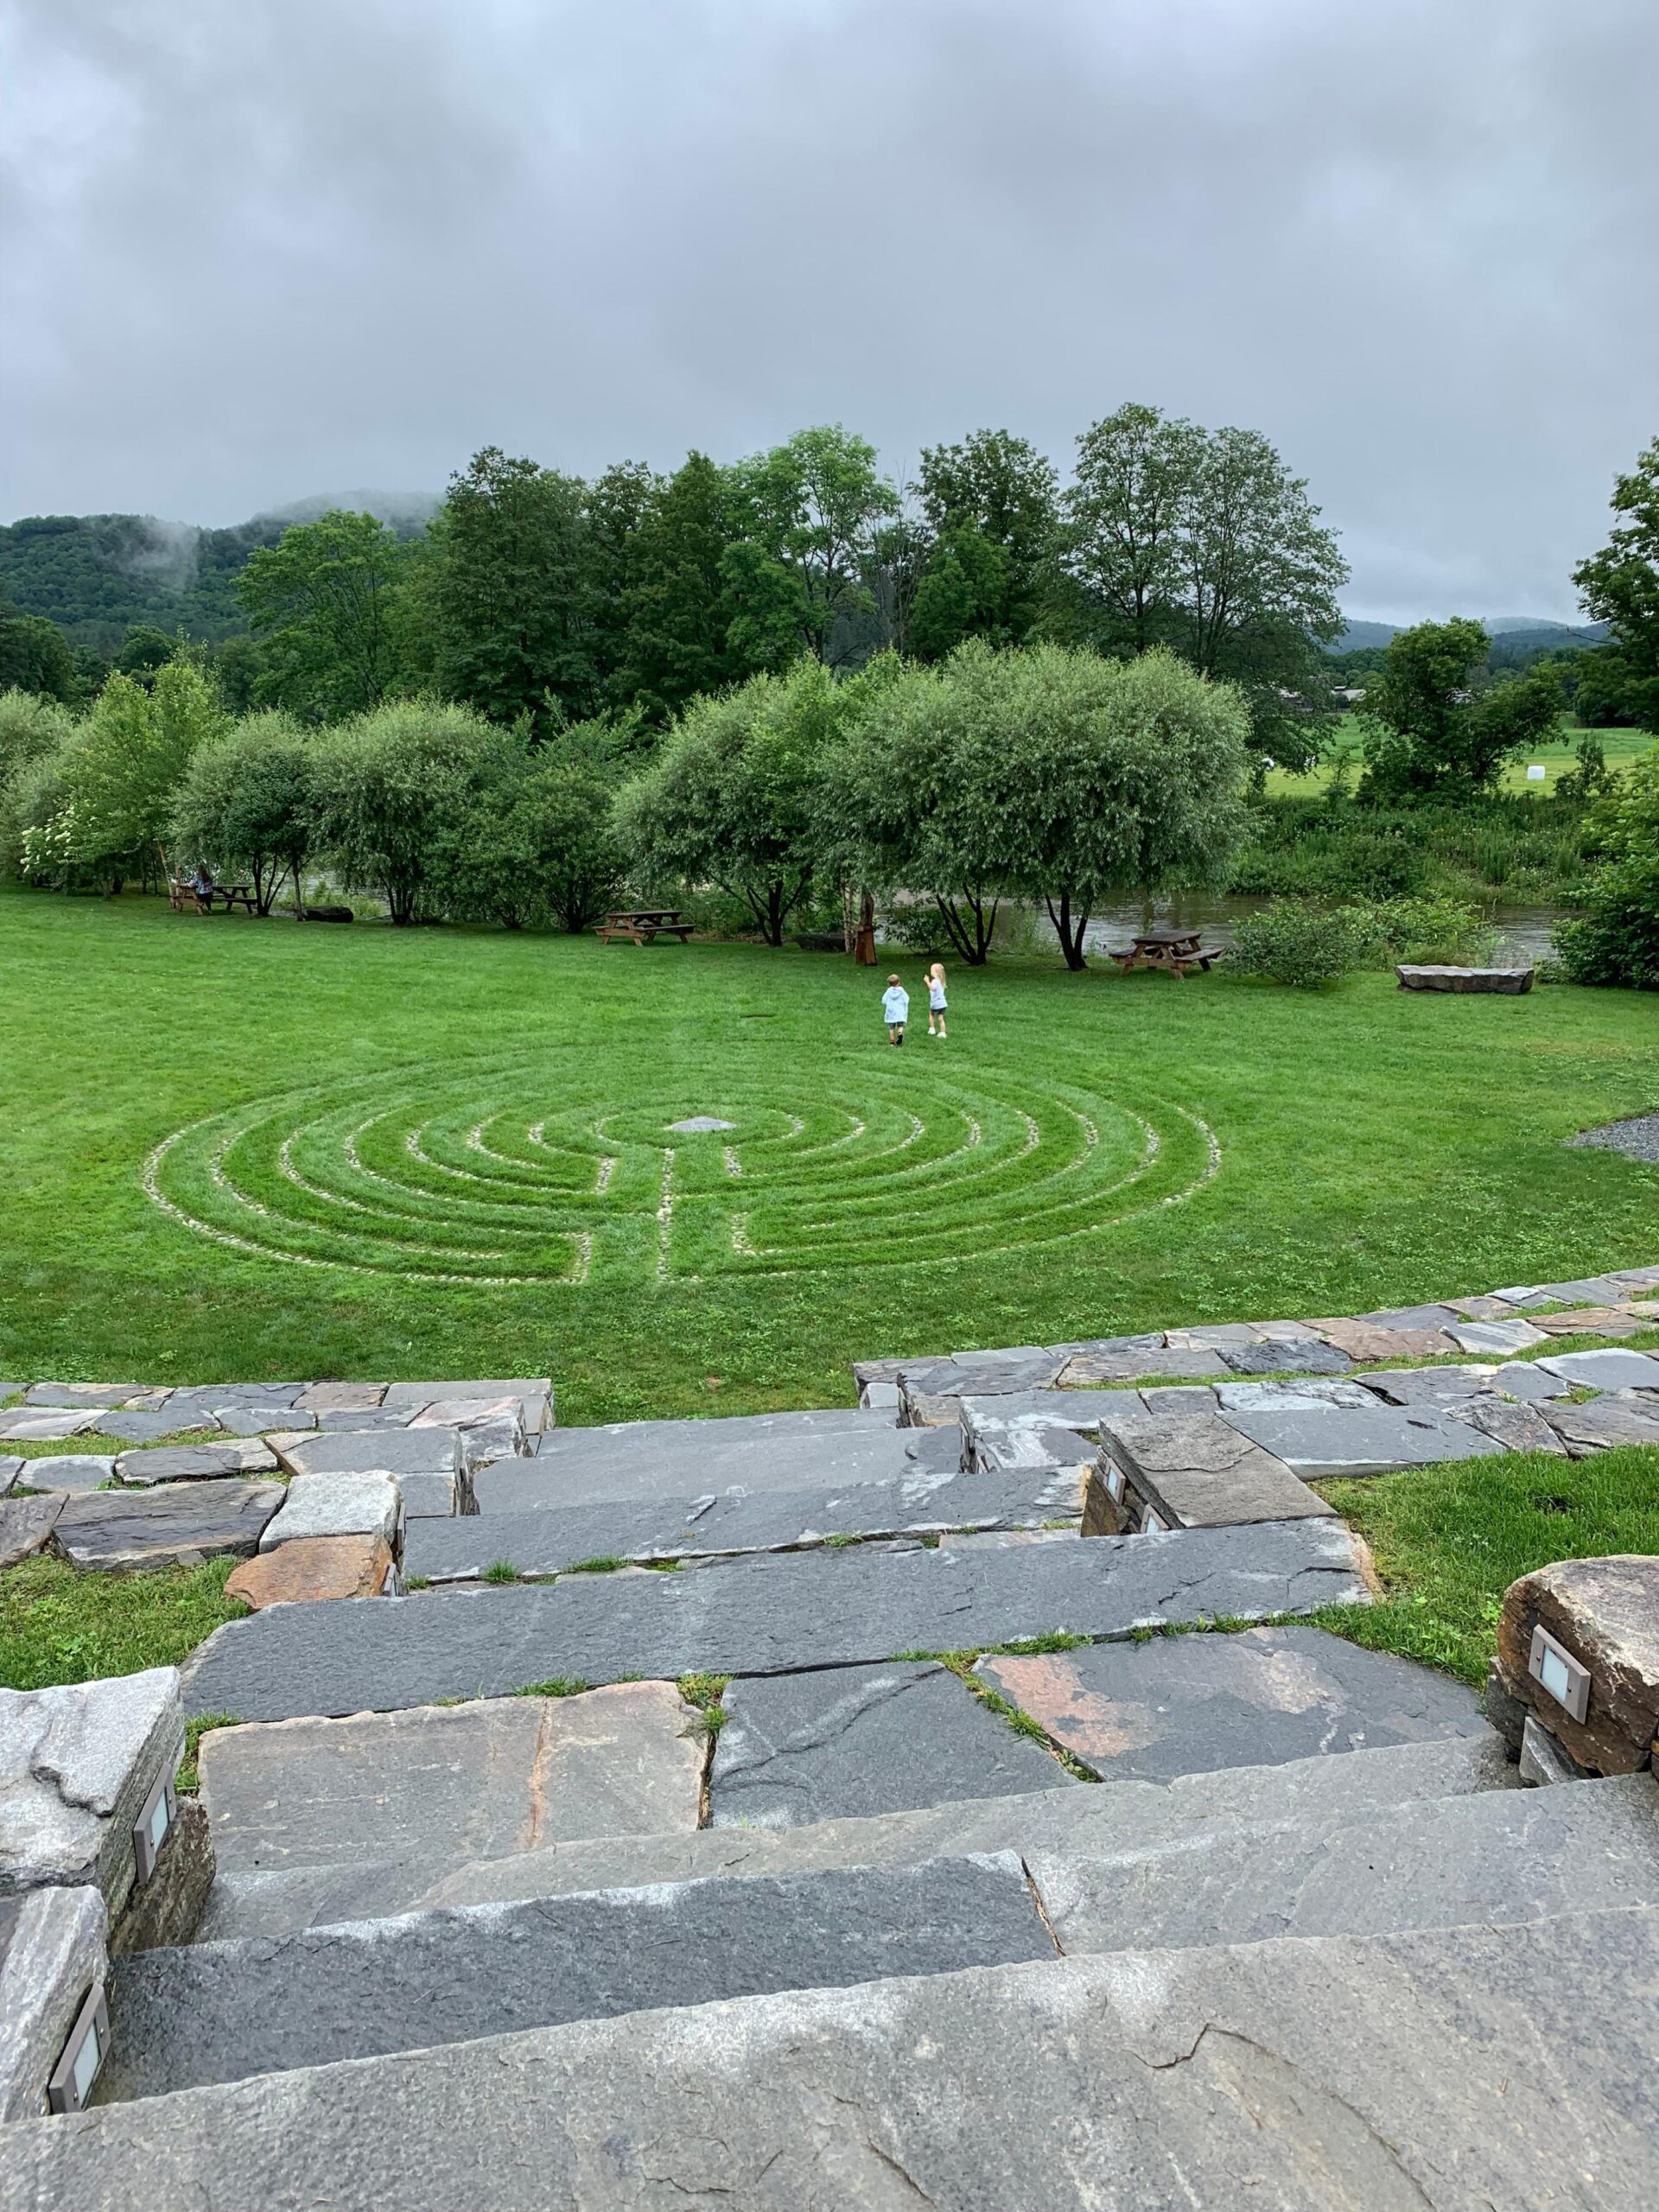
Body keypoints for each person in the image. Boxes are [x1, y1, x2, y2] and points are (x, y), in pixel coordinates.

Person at [881, 973, 908, 1047]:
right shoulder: (901, 991)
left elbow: (883, 1000)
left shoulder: (889, 991)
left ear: (889, 984)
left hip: (891, 1012)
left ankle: (892, 1042)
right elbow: (907, 999)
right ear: (898, 982)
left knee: (891, 1027)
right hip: (900, 1012)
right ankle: (900, 1034)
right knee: (900, 1025)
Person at [925, 959, 948, 1039]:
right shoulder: (941, 981)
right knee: (941, 1018)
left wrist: (927, 981)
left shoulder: (935, 981)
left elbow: (933, 988)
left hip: (936, 1003)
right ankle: (943, 1033)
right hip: (943, 1003)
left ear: (935, 972)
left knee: (931, 1014)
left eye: (932, 970)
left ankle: (932, 1029)